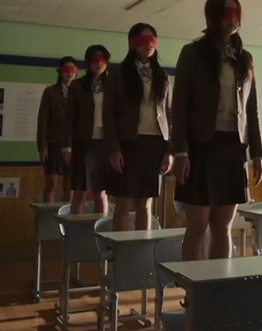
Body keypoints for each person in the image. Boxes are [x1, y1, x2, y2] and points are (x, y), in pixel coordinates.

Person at [172, 0, 262, 260]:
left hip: (233, 148)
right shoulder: (192, 53)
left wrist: (257, 154)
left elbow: (252, 110)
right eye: (226, 14)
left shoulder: (245, 58)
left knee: (223, 227)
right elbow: (179, 106)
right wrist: (180, 151)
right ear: (212, 18)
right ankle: (192, 285)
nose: (232, 20)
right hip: (200, 146)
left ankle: (217, 282)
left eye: (236, 14)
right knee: (196, 226)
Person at [105, 24, 172, 231]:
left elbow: (169, 114)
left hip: (155, 144)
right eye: (143, 40)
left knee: (145, 204)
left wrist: (169, 150)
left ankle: (143, 246)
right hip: (128, 143)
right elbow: (108, 115)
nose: (148, 45)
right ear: (132, 43)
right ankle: (119, 247)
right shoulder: (118, 74)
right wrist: (114, 149)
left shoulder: (162, 76)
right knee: (123, 203)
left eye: (152, 40)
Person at [64, 45, 112, 215]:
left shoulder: (113, 85)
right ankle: (75, 230)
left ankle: (100, 228)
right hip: (82, 143)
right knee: (80, 193)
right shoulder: (77, 86)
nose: (99, 63)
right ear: (88, 63)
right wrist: (67, 146)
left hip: (106, 143)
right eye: (94, 60)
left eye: (102, 60)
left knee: (101, 193)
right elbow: (69, 118)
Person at [37, 56, 78, 203]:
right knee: (51, 182)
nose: (69, 73)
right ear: (59, 71)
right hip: (53, 143)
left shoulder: (79, 92)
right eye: (66, 70)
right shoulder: (50, 92)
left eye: (72, 70)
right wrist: (43, 146)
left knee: (70, 184)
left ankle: (67, 212)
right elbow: (43, 120)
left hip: (73, 144)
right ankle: (48, 213)